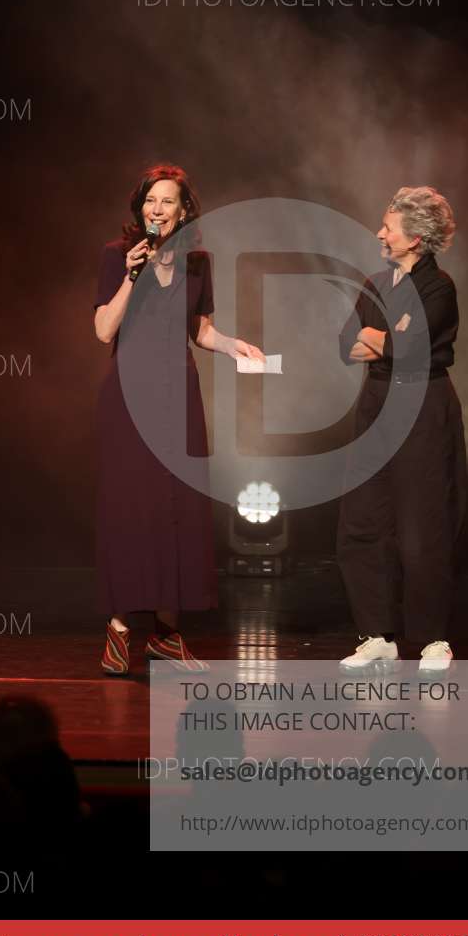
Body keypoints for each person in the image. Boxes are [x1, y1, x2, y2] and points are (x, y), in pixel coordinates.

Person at [93, 164, 263, 673]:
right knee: (129, 506)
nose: (157, 209)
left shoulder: (198, 262)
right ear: (140, 207)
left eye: (167, 201)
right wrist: (131, 276)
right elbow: (103, 330)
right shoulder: (117, 255)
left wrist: (233, 346)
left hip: (178, 396)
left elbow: (200, 330)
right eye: (150, 200)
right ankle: (120, 626)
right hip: (129, 396)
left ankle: (166, 633)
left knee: (175, 506)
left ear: (184, 210)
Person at [336, 186, 467, 674]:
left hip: (422, 406)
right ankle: (378, 635)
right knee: (362, 521)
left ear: (414, 238)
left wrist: (383, 338)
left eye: (388, 228)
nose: (379, 234)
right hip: (376, 404)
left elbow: (411, 347)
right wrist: (386, 338)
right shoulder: (375, 283)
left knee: (422, 526)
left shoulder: (439, 287)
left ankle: (432, 638)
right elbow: (348, 344)